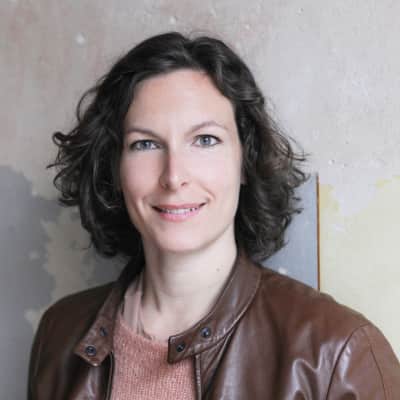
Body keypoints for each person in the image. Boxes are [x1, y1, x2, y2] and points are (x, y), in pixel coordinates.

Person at [28, 32, 400, 399]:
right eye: (145, 143)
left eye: (205, 140)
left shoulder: (338, 354)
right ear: (115, 168)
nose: (174, 176)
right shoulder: (59, 334)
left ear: (245, 161)